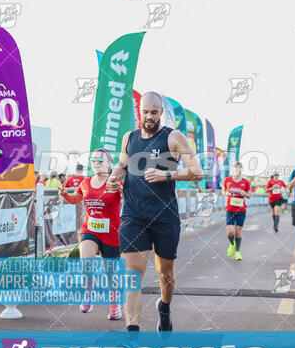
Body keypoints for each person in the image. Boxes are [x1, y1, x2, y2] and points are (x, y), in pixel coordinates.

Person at [106, 91, 203, 332]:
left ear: (161, 112)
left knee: (165, 274)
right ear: (139, 112)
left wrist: (166, 174)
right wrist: (113, 177)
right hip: (133, 215)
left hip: (164, 215)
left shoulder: (174, 138)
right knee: (133, 275)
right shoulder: (129, 138)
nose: (149, 117)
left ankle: (165, 308)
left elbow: (198, 171)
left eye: (154, 112)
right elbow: (121, 164)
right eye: (145, 112)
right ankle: (132, 334)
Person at [60, 148, 123, 320]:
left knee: (110, 273)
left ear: (109, 163)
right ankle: (88, 293)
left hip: (112, 233)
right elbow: (75, 199)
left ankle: (114, 304)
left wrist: (122, 189)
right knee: (86, 262)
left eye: (100, 160)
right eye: (93, 159)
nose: (96, 163)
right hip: (90, 229)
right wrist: (65, 194)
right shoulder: (86, 182)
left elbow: (129, 199)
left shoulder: (115, 182)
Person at [222, 162, 251, 260]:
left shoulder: (245, 182)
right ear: (233, 169)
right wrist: (226, 193)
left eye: (239, 167)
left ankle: (237, 252)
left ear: (241, 169)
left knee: (238, 232)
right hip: (230, 209)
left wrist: (244, 193)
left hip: (241, 210)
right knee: (230, 232)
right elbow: (223, 191)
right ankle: (232, 244)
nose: (237, 169)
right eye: (235, 167)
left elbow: (249, 195)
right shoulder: (227, 180)